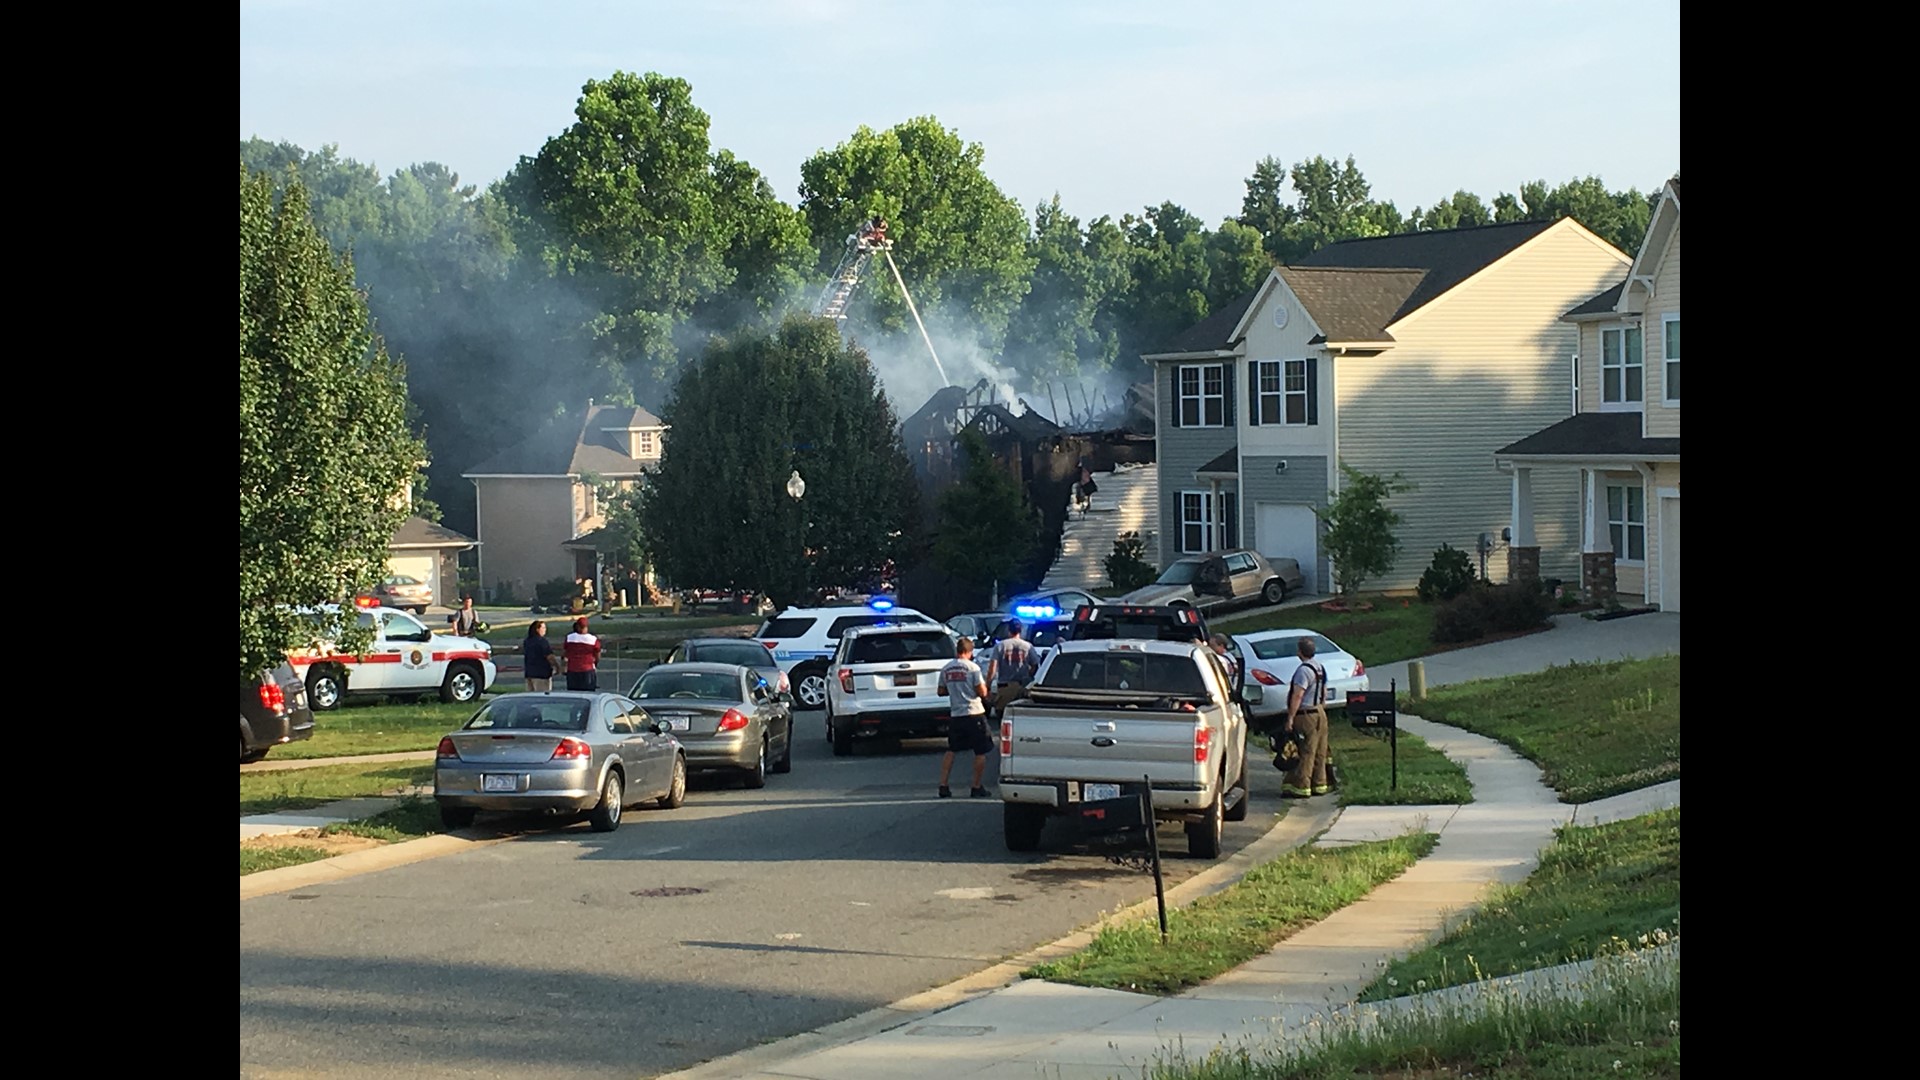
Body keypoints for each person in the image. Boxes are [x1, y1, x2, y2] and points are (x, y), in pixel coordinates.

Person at [935, 636, 993, 799]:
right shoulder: (973, 668)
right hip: (974, 713)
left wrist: (955, 691)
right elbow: (982, 692)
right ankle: (976, 786)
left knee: (952, 749)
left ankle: (943, 785)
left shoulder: (946, 668)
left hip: (956, 715)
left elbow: (940, 691)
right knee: (981, 750)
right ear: (969, 651)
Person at [1280, 636, 1332, 798]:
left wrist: (1290, 718)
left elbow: (1298, 696)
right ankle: (1320, 783)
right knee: (1320, 750)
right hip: (1319, 713)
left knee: (1306, 750)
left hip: (1306, 714)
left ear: (1299, 651)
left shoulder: (1303, 671)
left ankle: (1302, 786)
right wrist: (1321, 708)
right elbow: (1324, 692)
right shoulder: (1320, 668)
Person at [985, 619, 1036, 721]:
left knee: (1003, 718)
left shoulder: (1000, 646)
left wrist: (988, 686)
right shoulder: (1028, 646)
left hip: (1005, 687)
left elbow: (993, 668)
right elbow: (1035, 665)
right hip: (1022, 687)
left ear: (1008, 630)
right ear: (1020, 630)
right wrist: (1028, 677)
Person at [562, 617, 602, 691]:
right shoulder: (593, 639)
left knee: (573, 693)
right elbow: (598, 654)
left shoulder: (569, 638)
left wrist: (564, 665)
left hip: (572, 669)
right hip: (587, 669)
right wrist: (595, 663)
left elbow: (565, 652)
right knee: (588, 692)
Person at [521, 620, 556, 692]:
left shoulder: (527, 641)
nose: (545, 630)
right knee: (542, 695)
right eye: (543, 628)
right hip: (542, 674)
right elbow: (549, 656)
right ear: (537, 629)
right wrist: (556, 666)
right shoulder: (542, 641)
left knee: (531, 695)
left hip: (529, 673)